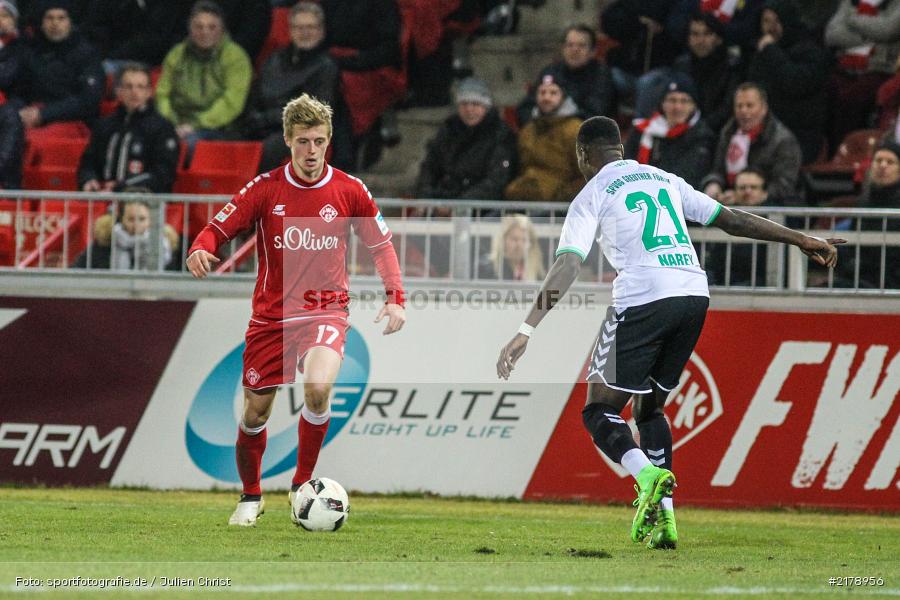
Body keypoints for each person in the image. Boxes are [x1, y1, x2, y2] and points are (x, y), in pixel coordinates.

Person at [495, 116, 842, 550]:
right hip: (694, 294)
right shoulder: (665, 178)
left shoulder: (593, 193)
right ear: (620, 148)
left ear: (584, 155)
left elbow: (567, 263)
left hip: (643, 296)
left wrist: (527, 327)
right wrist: (798, 239)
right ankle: (665, 521)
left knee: (598, 411)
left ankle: (646, 475)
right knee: (650, 411)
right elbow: (730, 218)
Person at [186, 93, 406, 527]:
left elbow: (381, 245)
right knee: (255, 413)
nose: (311, 151)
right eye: (303, 141)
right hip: (272, 318)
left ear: (329, 142)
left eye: (319, 141)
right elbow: (218, 228)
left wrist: (395, 296)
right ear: (288, 140)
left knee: (319, 389)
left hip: (326, 311)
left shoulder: (349, 189)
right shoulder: (266, 189)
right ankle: (250, 497)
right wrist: (199, 248)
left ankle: (299, 486)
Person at [243, 1, 341, 172]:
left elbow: (316, 112)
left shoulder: (327, 66)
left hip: (302, 132)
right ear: (290, 30)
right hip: (263, 125)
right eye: (299, 27)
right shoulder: (274, 60)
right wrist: (254, 118)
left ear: (321, 30)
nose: (304, 33)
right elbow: (255, 96)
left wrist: (269, 118)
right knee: (229, 142)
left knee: (268, 149)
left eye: (310, 27)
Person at [155, 0, 252, 157]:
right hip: (176, 123)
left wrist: (195, 125)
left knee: (185, 146)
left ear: (222, 30)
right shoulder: (177, 53)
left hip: (219, 128)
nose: (205, 32)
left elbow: (231, 103)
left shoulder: (236, 57)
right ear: (190, 29)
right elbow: (162, 94)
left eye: (212, 27)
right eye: (198, 26)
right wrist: (171, 123)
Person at [745, 0, 830, 164]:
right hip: (761, 134)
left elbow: (793, 83)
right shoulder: (760, 53)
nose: (770, 27)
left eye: (777, 21)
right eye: (766, 21)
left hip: (800, 136)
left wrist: (771, 51)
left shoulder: (811, 52)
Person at [77, 63, 179, 193]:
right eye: (128, 86)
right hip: (103, 199)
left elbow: (163, 174)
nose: (134, 92)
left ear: (149, 92)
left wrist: (121, 187)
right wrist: (88, 180)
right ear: (118, 91)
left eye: (140, 87)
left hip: (145, 202)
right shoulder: (104, 125)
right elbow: (88, 163)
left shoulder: (162, 128)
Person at [11, 0, 103, 139]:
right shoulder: (31, 51)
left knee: (25, 139)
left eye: (61, 18)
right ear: (41, 23)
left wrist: (44, 114)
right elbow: (18, 89)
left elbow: (88, 100)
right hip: (31, 115)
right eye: (49, 18)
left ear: (70, 22)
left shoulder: (86, 54)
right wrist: (18, 111)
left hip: (71, 120)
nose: (55, 23)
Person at [415, 77, 517, 201]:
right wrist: (426, 197)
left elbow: (496, 180)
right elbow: (429, 167)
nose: (469, 109)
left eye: (475, 104)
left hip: (481, 208)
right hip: (444, 199)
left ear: (486, 107)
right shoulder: (448, 130)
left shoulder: (501, 135)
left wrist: (460, 205)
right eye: (464, 104)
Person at [701, 83, 802, 205]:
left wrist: (749, 195)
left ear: (764, 108)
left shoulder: (783, 140)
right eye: (739, 106)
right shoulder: (728, 133)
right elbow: (718, 170)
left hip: (771, 206)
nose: (744, 111)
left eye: (749, 105)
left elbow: (785, 184)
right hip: (731, 201)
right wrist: (714, 184)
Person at [624, 73, 715, 188]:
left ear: (693, 106)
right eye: (672, 100)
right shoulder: (641, 131)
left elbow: (689, 175)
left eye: (684, 101)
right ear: (662, 104)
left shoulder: (702, 136)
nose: (677, 107)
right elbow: (626, 167)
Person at [516, 24, 616, 125]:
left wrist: (558, 118)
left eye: (581, 45)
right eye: (570, 45)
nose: (574, 50)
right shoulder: (551, 71)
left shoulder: (601, 75)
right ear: (563, 49)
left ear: (592, 51)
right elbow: (525, 108)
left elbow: (595, 114)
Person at [504, 74, 582, 202]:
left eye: (553, 93)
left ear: (563, 97)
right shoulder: (527, 130)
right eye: (542, 92)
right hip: (523, 200)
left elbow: (586, 175)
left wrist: (562, 197)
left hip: (558, 207)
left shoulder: (576, 130)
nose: (546, 97)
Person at [672, 11, 742, 134]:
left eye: (707, 34)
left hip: (715, 133)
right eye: (695, 34)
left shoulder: (731, 67)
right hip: (681, 127)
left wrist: (697, 129)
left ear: (718, 39)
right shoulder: (681, 65)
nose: (700, 40)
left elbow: (727, 109)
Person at [73, 197, 178, 270]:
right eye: (131, 219)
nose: (136, 225)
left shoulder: (164, 247)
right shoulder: (104, 243)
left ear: (150, 221)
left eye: (142, 219)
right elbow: (76, 270)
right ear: (121, 219)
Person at [477, 213, 546, 280]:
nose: (519, 245)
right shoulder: (487, 268)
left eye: (524, 240)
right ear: (502, 240)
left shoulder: (538, 271)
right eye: (514, 239)